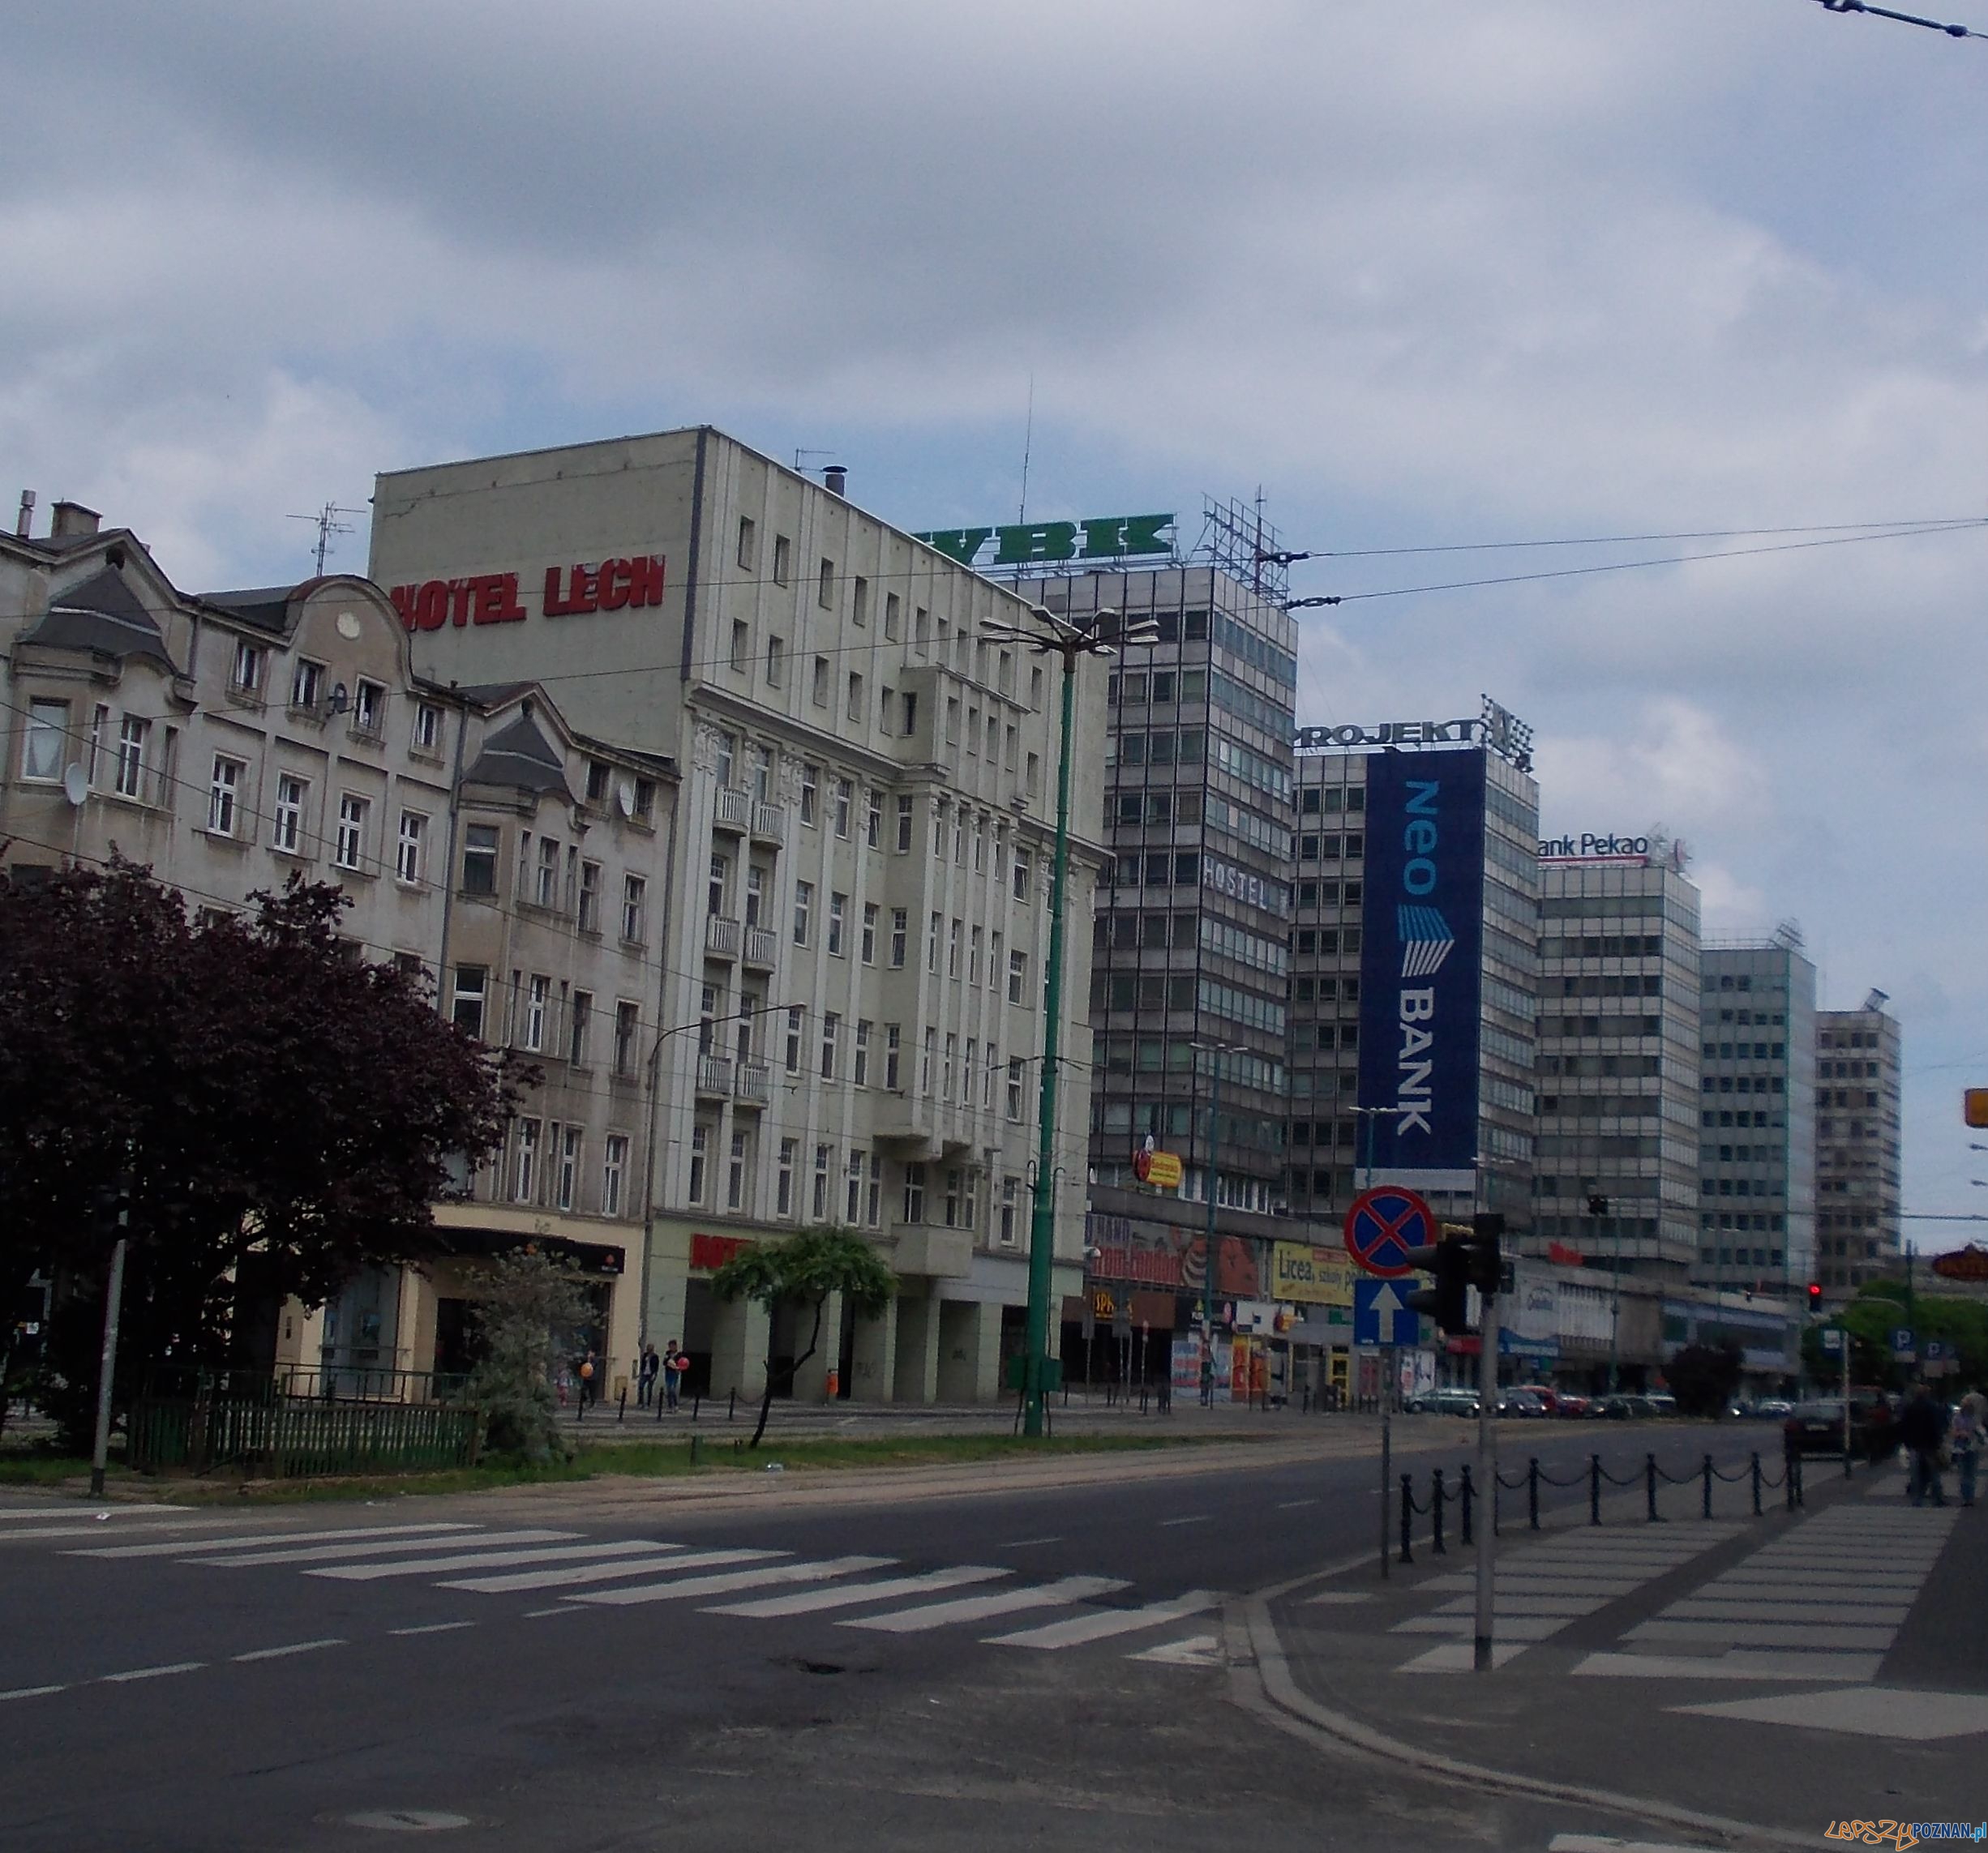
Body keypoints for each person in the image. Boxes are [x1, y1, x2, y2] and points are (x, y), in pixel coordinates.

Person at [1899, 1382, 1947, 1508]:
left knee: (1915, 1474)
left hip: (1914, 1444)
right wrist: (1938, 1442)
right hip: (1929, 1444)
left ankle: (1917, 1500)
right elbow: (1936, 1426)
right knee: (1934, 1473)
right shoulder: (1932, 1407)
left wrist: (1907, 1442)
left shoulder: (1910, 1407)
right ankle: (1938, 1499)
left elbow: (1903, 1426)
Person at [1952, 1388, 1985, 1509]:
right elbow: (1981, 1433)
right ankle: (1968, 1497)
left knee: (1964, 1474)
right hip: (1971, 1448)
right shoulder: (1975, 1419)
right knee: (1970, 1474)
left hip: (1961, 1448)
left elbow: (1954, 1432)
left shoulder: (1957, 1418)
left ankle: (1967, 1497)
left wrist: (1961, 1434)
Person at [662, 1340, 688, 1413]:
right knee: (668, 1389)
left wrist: (677, 1368)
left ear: (675, 1346)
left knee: (672, 1389)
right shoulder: (668, 1353)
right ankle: (670, 1406)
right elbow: (664, 1362)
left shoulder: (679, 1355)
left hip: (674, 1373)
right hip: (668, 1372)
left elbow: (682, 1364)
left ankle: (675, 1405)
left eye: (672, 1346)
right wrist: (668, 1361)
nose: (671, 1348)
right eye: (670, 1346)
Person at [636, 1342, 658, 1409]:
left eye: (651, 1349)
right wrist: (641, 1372)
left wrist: (654, 1374)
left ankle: (648, 1403)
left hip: (651, 1374)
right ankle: (641, 1402)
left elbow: (656, 1366)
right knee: (641, 1386)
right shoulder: (645, 1355)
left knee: (649, 1389)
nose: (649, 1350)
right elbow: (642, 1363)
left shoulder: (655, 1357)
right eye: (648, 1349)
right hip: (644, 1373)